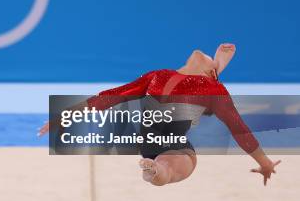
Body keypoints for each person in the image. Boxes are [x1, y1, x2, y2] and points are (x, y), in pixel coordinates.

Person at [38, 44, 281, 186]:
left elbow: (239, 130)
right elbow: (111, 96)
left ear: (210, 71)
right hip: (153, 141)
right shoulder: (159, 76)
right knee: (163, 162)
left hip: (176, 147)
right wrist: (65, 115)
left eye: (208, 57)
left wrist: (265, 163)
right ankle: (155, 169)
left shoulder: (213, 89)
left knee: (168, 167)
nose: (200, 51)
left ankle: (155, 171)